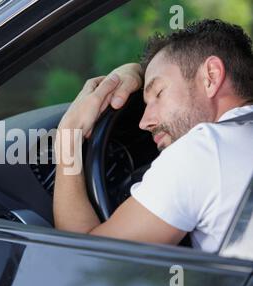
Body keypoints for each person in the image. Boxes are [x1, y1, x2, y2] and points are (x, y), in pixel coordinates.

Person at [53, 19, 253, 253]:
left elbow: (87, 260)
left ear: (211, 76)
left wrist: (68, 135)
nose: (144, 122)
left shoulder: (203, 149)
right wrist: (136, 70)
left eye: (158, 93)